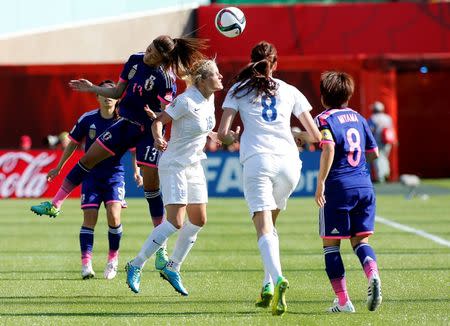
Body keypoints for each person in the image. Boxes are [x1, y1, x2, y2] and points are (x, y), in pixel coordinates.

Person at [31, 35, 208, 272]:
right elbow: (117, 92)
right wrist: (91, 88)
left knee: (151, 189)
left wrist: (158, 131)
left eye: (153, 53)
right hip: (126, 123)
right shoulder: (134, 60)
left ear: (163, 58)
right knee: (88, 159)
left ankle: (161, 250)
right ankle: (55, 204)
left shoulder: (166, 79)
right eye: (149, 48)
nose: (148, 53)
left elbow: (168, 112)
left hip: (147, 132)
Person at [217, 41, 321, 316]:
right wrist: (295, 134)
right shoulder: (290, 90)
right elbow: (316, 136)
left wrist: (235, 137)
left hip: (257, 161)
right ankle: (267, 286)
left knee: (263, 228)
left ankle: (277, 278)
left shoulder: (238, 89)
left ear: (251, 61)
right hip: (289, 163)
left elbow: (223, 133)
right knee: (271, 226)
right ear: (276, 63)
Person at [125, 59, 227, 296]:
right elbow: (159, 122)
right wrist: (159, 137)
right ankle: (136, 264)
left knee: (199, 220)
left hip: (194, 164)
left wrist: (217, 135)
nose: (221, 76)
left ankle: (173, 267)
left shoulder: (208, 97)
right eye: (216, 74)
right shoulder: (185, 100)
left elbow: (198, 127)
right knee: (175, 222)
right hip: (174, 165)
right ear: (202, 80)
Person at [43, 80, 141, 279]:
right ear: (97, 97)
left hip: (114, 176)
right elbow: (72, 143)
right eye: (103, 94)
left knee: (114, 218)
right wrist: (59, 167)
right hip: (91, 176)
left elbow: (133, 150)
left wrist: (137, 171)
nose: (107, 97)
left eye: (111, 94)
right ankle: (86, 264)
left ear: (117, 97)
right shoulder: (88, 119)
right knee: (90, 219)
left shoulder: (123, 121)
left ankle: (113, 259)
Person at [314, 71, 382, 313]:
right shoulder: (359, 117)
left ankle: (343, 301)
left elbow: (328, 148)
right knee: (360, 240)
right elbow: (374, 153)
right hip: (364, 186)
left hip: (338, 188)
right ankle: (372, 273)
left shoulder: (323, 118)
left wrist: (321, 181)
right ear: (348, 94)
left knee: (331, 246)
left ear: (323, 96)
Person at [368, 101, 395, 183]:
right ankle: (386, 173)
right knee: (385, 158)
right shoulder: (388, 117)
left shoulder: (373, 118)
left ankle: (380, 177)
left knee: (378, 159)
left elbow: (370, 130)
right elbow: (391, 129)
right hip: (387, 141)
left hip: (377, 141)